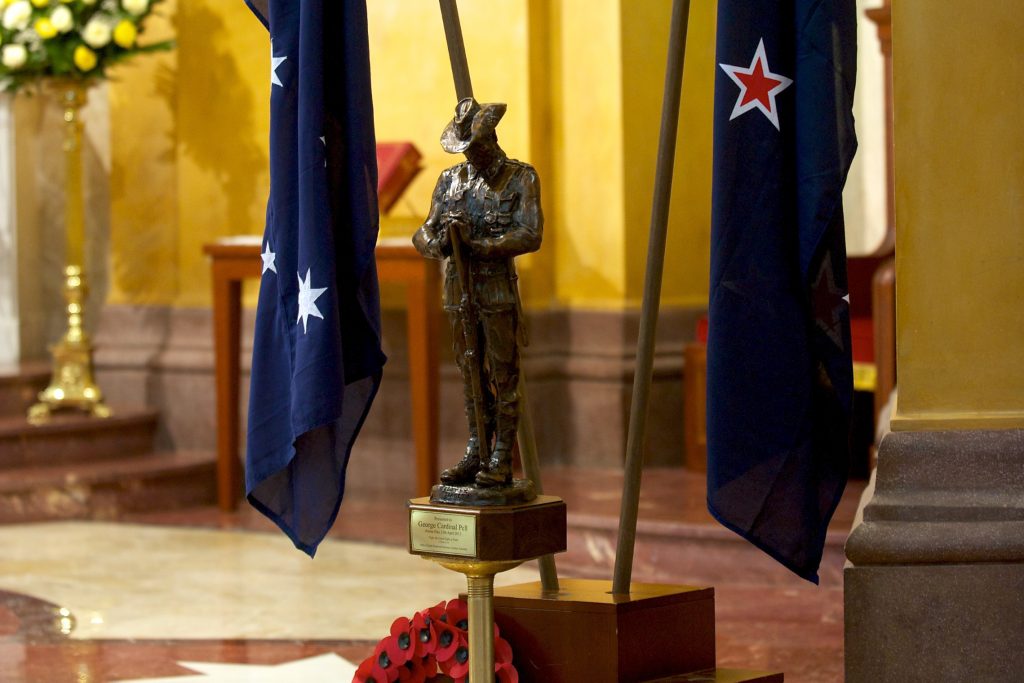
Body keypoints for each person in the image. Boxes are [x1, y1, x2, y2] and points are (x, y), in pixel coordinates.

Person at [413, 96, 543, 488]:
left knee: (503, 374)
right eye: (465, 147)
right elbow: (423, 232)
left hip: (496, 288)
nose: (470, 153)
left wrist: (481, 246)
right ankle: (477, 448)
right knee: (470, 371)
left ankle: (502, 454)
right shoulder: (450, 181)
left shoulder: (521, 178)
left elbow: (530, 233)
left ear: (491, 139)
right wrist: (443, 245)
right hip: (458, 290)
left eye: (475, 146)